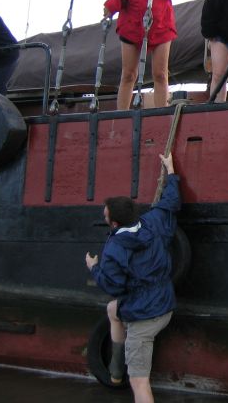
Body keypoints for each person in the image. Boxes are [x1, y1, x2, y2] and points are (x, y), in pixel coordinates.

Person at [85, 152, 180, 403]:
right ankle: (116, 371)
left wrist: (94, 267)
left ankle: (124, 373)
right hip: (165, 303)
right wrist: (171, 171)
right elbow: (170, 202)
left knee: (139, 383)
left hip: (145, 316)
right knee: (112, 310)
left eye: (106, 214)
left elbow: (113, 286)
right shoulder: (152, 222)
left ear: (114, 223)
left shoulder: (114, 249)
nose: (104, 215)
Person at [104, 0, 184, 110]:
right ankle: (121, 117)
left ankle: (160, 115)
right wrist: (111, 6)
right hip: (131, 26)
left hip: (160, 24)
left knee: (160, 74)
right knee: (128, 75)